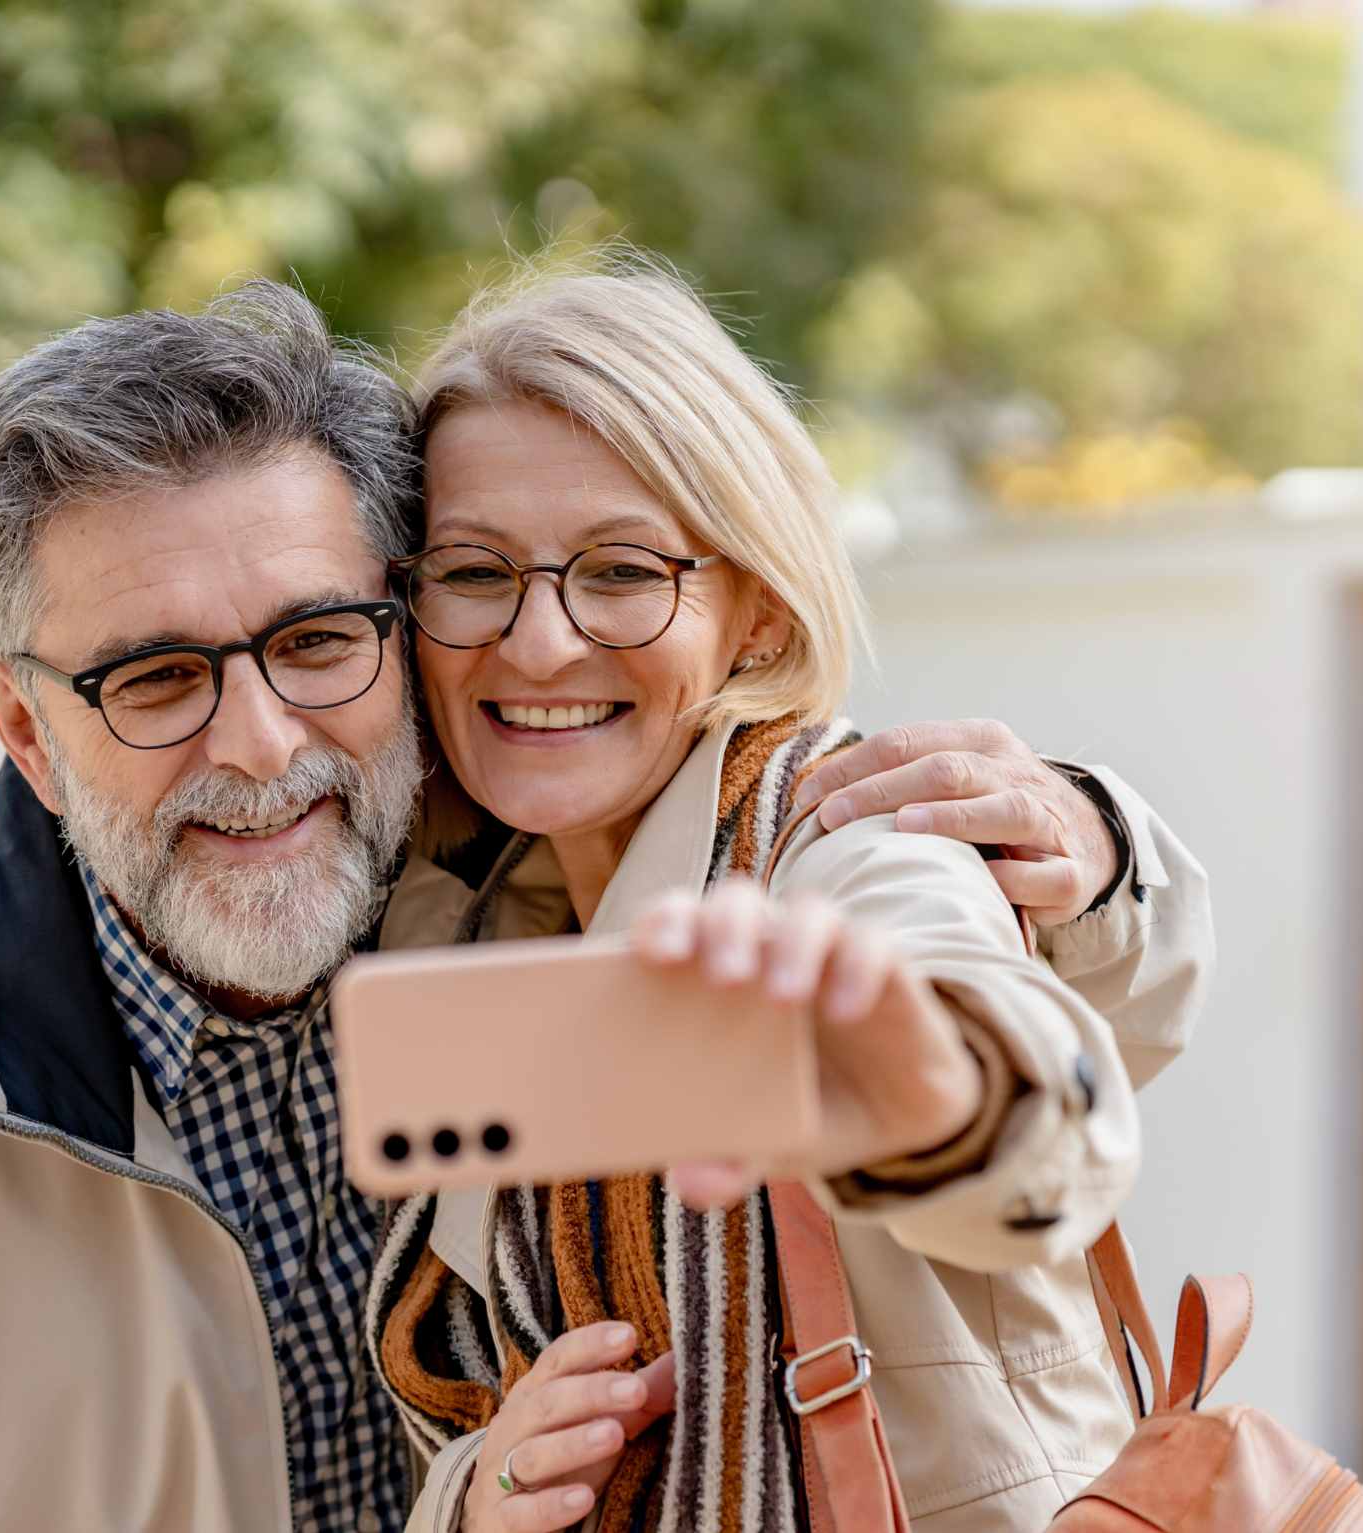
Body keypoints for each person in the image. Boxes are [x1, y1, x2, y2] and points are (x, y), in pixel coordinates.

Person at [0, 280, 1209, 1530]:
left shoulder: (700, 865)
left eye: (315, 640)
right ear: (23, 724)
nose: (260, 745)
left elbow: (995, 1033)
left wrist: (990, 988)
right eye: (155, 677)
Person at [363, 253, 1210, 1533]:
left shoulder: (845, 838)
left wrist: (927, 1088)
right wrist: (478, 1497)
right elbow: (468, 1415)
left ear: (756, 614)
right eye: (475, 572)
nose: (537, 645)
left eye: (624, 572)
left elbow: (1037, 1112)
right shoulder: (453, 923)